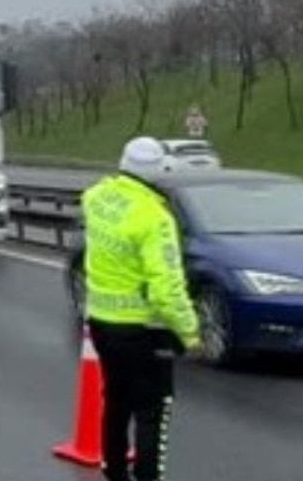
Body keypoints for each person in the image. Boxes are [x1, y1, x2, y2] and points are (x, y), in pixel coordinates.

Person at [82, 137, 202, 481]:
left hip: (102, 321)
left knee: (116, 400)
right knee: (152, 410)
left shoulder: (98, 197)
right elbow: (167, 289)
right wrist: (190, 333)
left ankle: (114, 471)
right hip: (143, 330)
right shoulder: (153, 217)